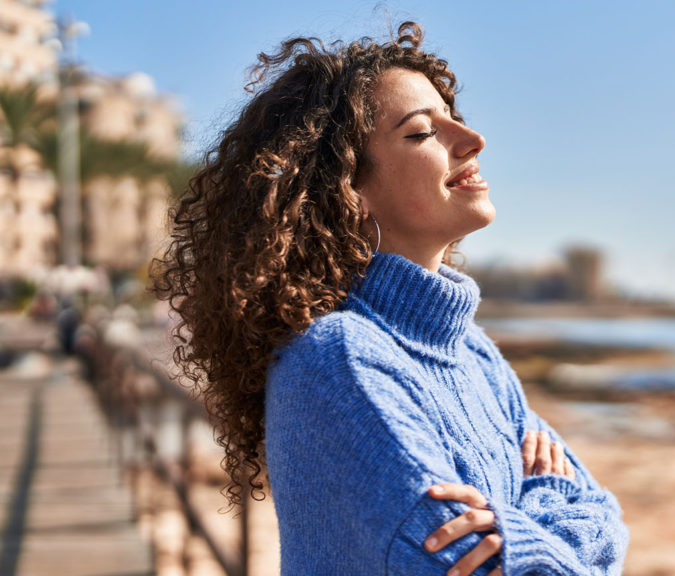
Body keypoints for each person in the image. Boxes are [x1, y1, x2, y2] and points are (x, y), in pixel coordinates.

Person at [153, 21, 628, 575]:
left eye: (457, 118)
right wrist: (548, 493)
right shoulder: (338, 359)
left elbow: (607, 519)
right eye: (423, 132)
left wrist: (520, 526)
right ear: (349, 190)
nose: (473, 141)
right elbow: (480, 564)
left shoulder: (475, 353)